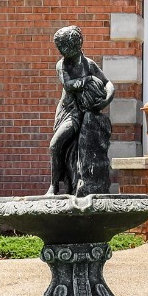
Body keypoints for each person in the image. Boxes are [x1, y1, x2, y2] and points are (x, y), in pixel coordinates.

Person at [47, 25, 115, 196]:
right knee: (56, 146)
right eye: (59, 47)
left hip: (81, 113)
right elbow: (68, 85)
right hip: (67, 112)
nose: (60, 50)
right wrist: (89, 80)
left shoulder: (88, 64)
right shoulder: (62, 65)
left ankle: (68, 185)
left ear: (75, 45)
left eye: (63, 46)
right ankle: (54, 185)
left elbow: (108, 83)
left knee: (63, 148)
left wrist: (106, 99)